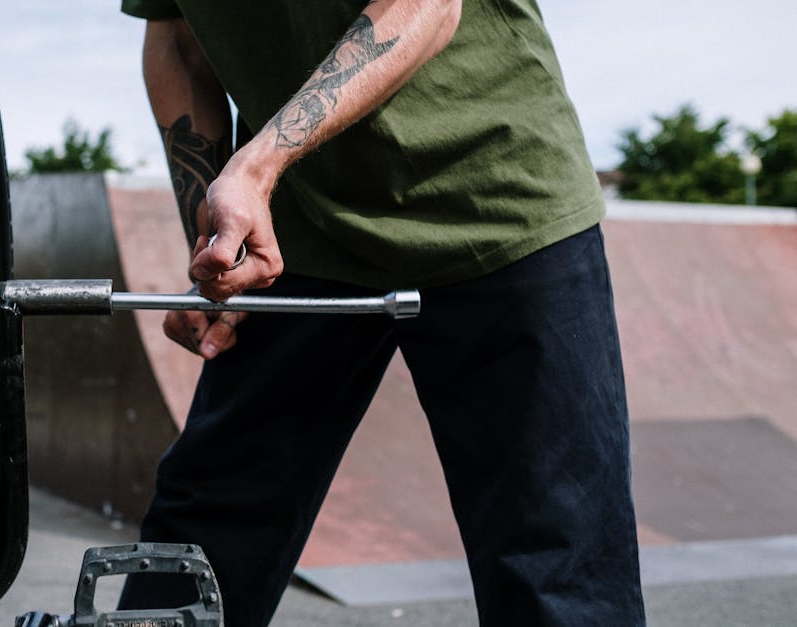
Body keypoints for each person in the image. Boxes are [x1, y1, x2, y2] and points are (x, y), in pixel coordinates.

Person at [118, 1, 645, 625]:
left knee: (557, 561)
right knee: (205, 529)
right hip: (300, 232)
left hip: (498, 204)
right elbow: (177, 38)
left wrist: (257, 167)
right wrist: (215, 244)